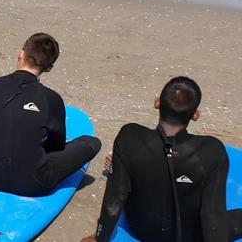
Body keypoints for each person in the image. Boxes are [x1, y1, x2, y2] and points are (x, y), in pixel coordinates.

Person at [83, 76, 242, 242]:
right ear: (196, 115)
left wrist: (100, 237)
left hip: (142, 230)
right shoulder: (212, 150)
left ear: (157, 103)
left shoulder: (129, 137)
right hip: (189, 236)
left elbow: (115, 195)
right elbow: (213, 216)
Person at [0, 32, 101, 197]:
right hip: (34, 184)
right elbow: (56, 146)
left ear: (20, 54)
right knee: (91, 143)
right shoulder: (51, 99)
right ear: (49, 68)